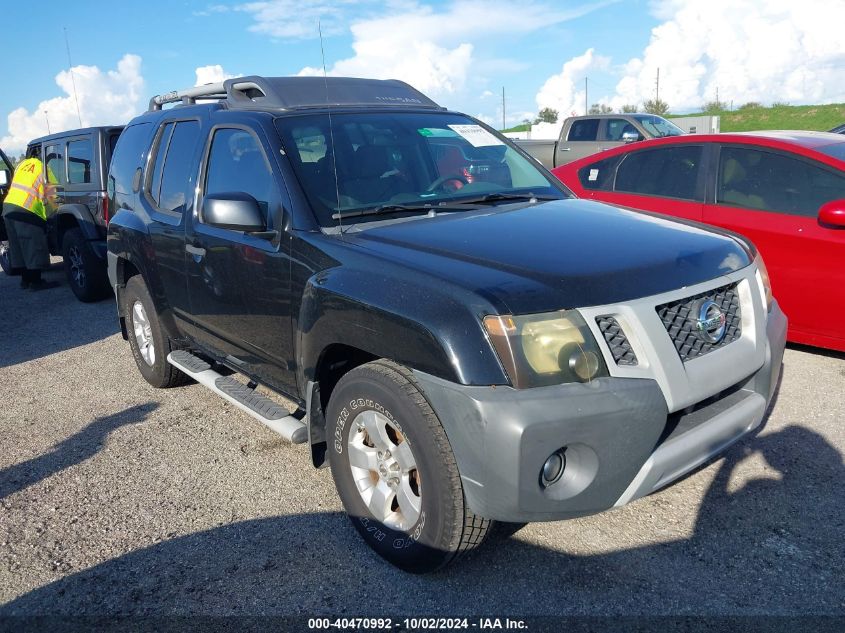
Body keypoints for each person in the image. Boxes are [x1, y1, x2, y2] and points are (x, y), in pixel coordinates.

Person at [2, 148, 59, 291]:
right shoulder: (43, 168)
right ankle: (36, 282)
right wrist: (55, 214)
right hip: (26, 211)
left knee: (18, 247)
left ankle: (25, 281)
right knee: (33, 247)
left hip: (8, 208)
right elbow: (53, 196)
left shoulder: (22, 165)